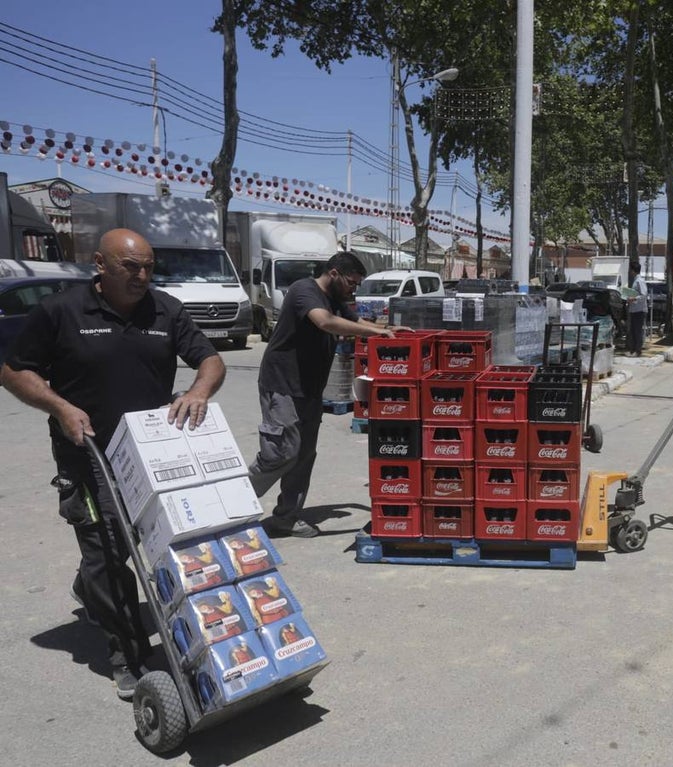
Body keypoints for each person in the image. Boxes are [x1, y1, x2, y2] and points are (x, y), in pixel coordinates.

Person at [0, 228, 226, 699]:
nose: (143, 276)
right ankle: (128, 653)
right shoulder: (61, 311)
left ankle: (92, 586)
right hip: (87, 452)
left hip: (150, 451)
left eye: (148, 267)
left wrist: (199, 390)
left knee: (144, 541)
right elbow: (14, 371)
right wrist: (59, 407)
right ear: (100, 264)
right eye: (131, 267)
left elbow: (209, 360)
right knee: (105, 545)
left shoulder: (165, 309)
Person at [248, 251, 406, 537]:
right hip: (282, 384)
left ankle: (286, 518)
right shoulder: (304, 290)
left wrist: (389, 329)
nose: (353, 289)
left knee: (305, 454)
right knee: (282, 451)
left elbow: (358, 323)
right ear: (333, 273)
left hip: (309, 387)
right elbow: (324, 322)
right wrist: (375, 334)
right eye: (351, 282)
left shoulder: (335, 298)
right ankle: (232, 504)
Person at [625, 262, 648, 357]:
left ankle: (637, 351)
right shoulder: (635, 280)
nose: (629, 272)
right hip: (634, 309)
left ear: (633, 270)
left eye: (630, 270)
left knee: (637, 331)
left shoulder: (639, 281)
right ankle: (633, 350)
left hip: (639, 310)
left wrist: (633, 298)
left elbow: (644, 295)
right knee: (633, 330)